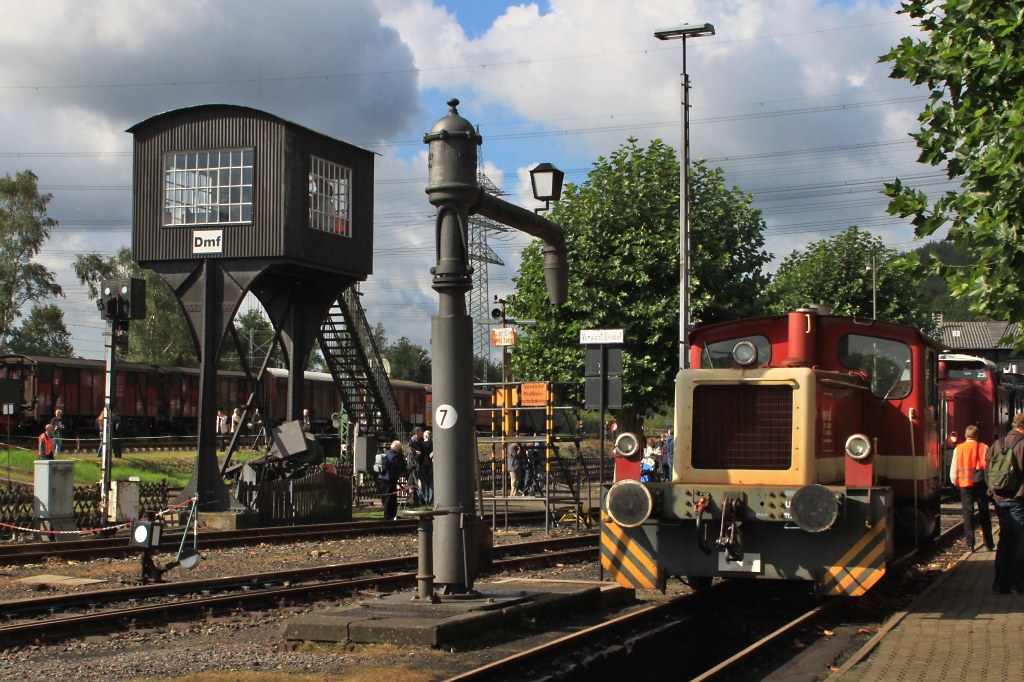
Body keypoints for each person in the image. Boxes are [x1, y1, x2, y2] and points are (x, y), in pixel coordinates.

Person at [990, 413, 1024, 595]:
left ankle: (999, 584)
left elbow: (988, 469)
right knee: (1020, 541)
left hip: (1000, 499)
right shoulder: (1023, 444)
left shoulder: (998, 443)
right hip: (1018, 499)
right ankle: (1016, 585)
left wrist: (992, 493)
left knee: (1004, 540)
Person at [950, 425, 994, 552]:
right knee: (984, 513)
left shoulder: (959, 449)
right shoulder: (984, 447)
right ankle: (989, 544)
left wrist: (955, 482)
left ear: (965, 435)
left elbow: (954, 469)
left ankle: (970, 545)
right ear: (977, 435)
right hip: (980, 484)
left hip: (965, 485)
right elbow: (988, 467)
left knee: (968, 514)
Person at [378, 441, 407, 521]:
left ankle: (392, 515)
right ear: (397, 447)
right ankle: (388, 515)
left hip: (384, 477)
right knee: (390, 497)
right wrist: (407, 468)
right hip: (390, 478)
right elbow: (399, 467)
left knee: (390, 497)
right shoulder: (395, 456)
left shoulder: (387, 453)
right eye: (400, 448)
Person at [407, 427, 426, 506]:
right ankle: (412, 499)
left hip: (419, 463)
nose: (422, 433)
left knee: (420, 481)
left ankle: (419, 499)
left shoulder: (420, 441)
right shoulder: (411, 440)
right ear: (417, 432)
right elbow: (409, 449)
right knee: (412, 481)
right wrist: (415, 452)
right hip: (413, 463)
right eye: (421, 431)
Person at [421, 429, 434, 505]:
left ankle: (426, 498)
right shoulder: (432, 443)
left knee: (426, 483)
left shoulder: (423, 444)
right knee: (431, 482)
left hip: (425, 464)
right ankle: (430, 498)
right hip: (431, 463)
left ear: (425, 436)